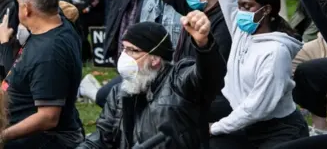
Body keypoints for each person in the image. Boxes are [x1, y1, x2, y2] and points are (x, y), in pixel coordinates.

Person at [200, 0, 308, 148]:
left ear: (266, 10)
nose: (239, 11)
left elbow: (257, 107)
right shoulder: (242, 29)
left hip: (278, 130)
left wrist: (216, 127)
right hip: (242, 121)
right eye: (239, 5)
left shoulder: (276, 51)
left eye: (247, 7)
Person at [78, 15, 227, 149]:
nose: (125, 56)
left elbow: (209, 76)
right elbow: (101, 138)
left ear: (155, 59)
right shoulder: (119, 92)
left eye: (133, 50)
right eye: (124, 49)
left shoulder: (178, 82)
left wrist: (204, 45)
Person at [0, 0, 83, 148]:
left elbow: (48, 117)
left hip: (40, 143)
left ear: (26, 9)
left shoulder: (49, 54)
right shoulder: (59, 20)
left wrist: (3, 137)